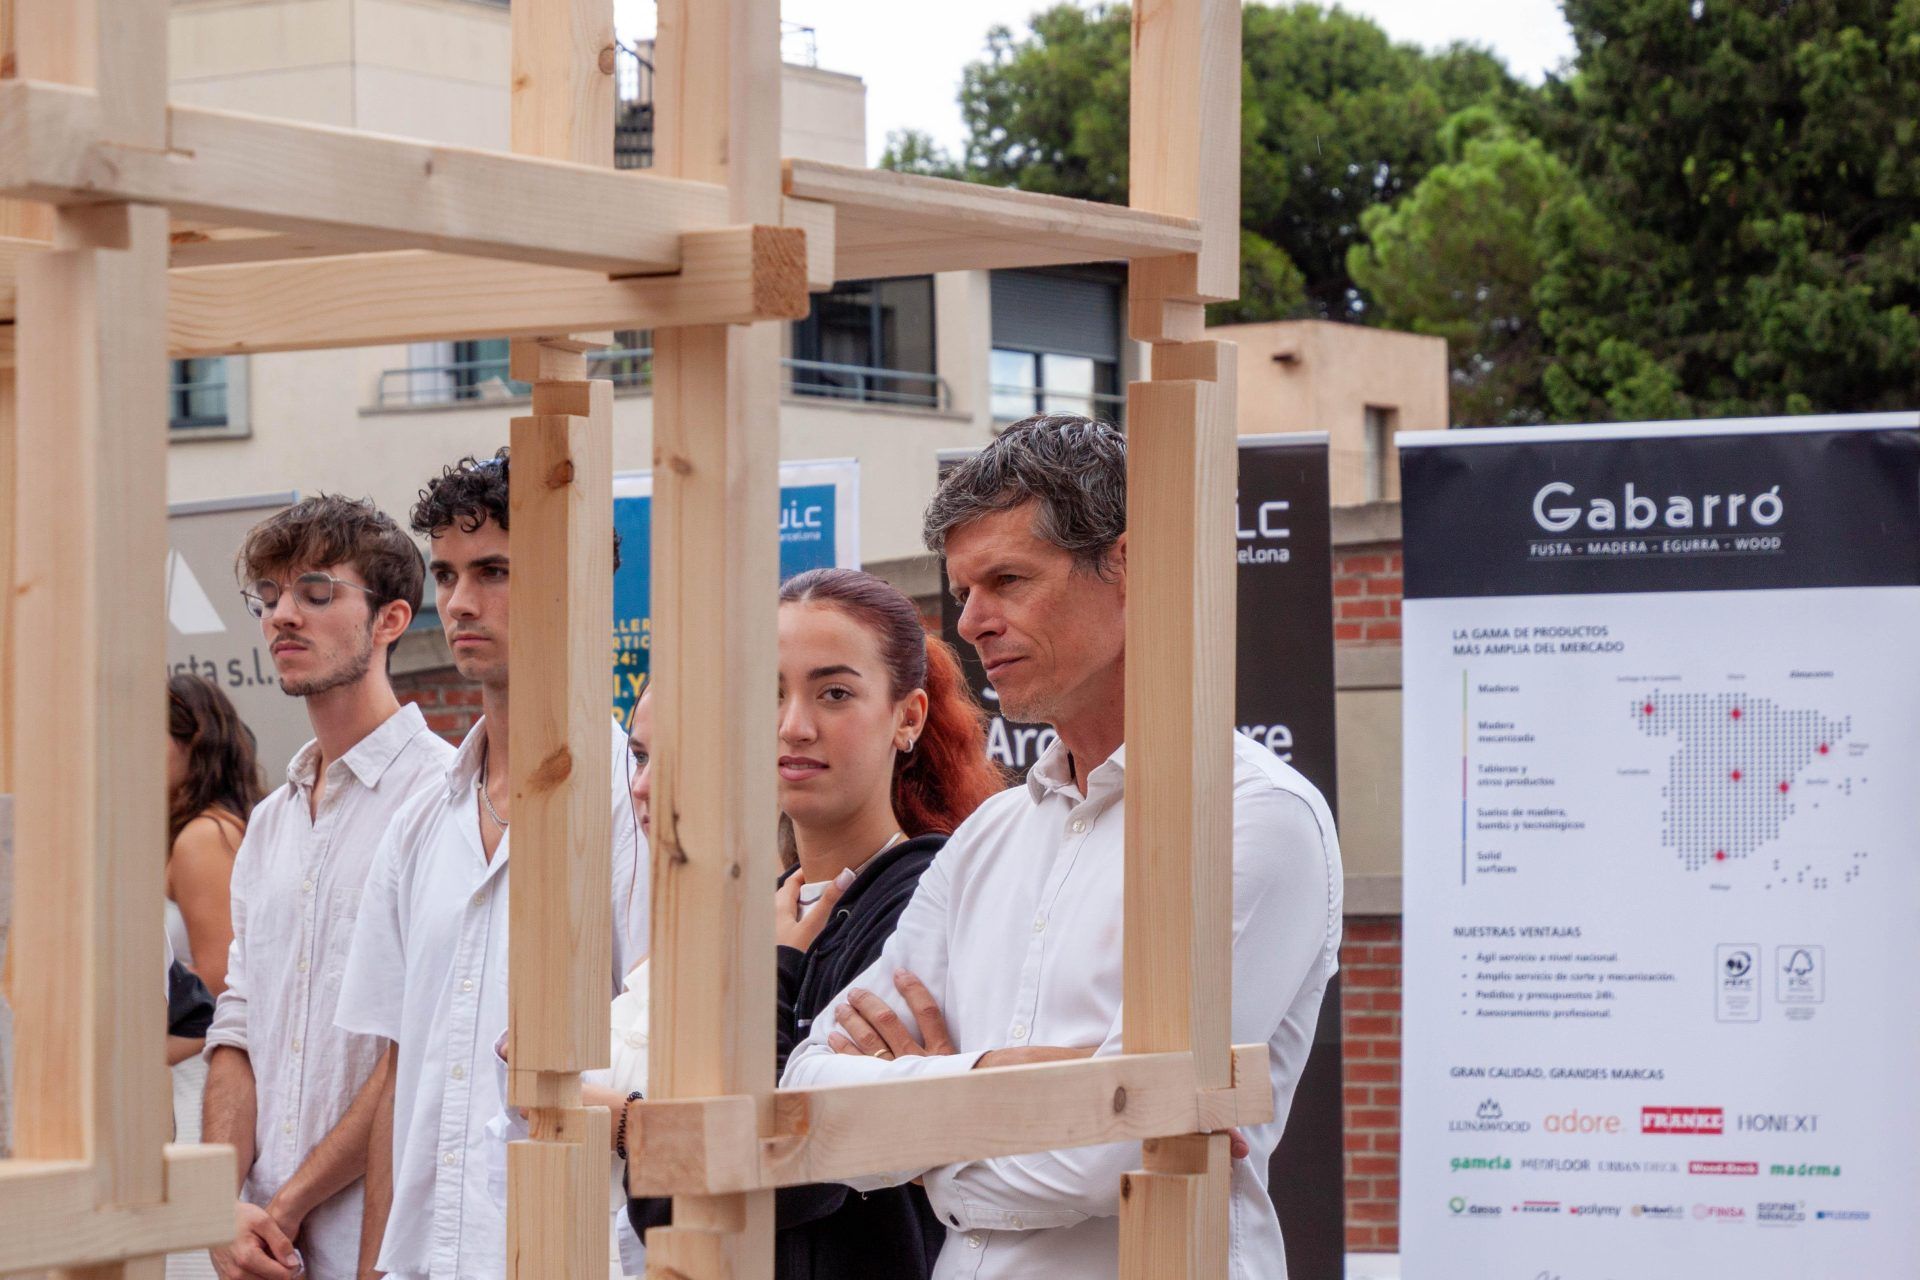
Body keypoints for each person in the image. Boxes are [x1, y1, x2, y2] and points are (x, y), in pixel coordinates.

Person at [780, 415, 1343, 1279]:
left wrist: (922, 1126)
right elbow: (809, 1099)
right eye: (963, 589)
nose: (970, 624)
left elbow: (1110, 1160)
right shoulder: (991, 836)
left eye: (1007, 580)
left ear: (1130, 567)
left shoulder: (1254, 819)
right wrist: (1011, 1076)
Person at [627, 568, 1002, 1279]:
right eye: (770, 693)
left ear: (909, 717)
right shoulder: (752, 909)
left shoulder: (932, 898)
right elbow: (662, 1205)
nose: (794, 726)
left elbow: (793, 1176)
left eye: (834, 693)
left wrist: (771, 974)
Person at [338, 450, 648, 1280]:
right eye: (445, 573)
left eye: (495, 570)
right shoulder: (418, 822)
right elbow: (401, 1072)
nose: (461, 602)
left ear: (581, 582)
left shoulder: (637, 805)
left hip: (579, 1255)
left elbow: (670, 1062)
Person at [199, 495, 455, 1280]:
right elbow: (238, 1026)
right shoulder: (271, 822)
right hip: (254, 1245)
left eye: (315, 593)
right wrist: (219, 1204)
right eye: (269, 598)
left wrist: (287, 1207)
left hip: (379, 1245)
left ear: (390, 620)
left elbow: (417, 1044)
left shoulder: (446, 799)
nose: (282, 616)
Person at [165, 673, 260, 1280]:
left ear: (191, 740)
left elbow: (217, 988)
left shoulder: (201, 837)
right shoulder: (227, 825)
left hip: (198, 1081)